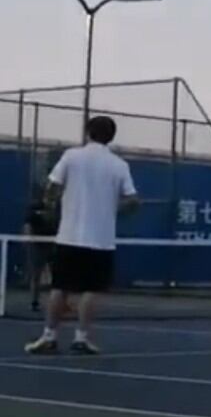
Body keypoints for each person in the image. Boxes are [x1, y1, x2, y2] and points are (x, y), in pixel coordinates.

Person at [25, 116, 138, 355]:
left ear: (88, 132)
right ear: (111, 136)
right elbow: (132, 201)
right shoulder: (119, 165)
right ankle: (82, 337)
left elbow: (53, 186)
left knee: (60, 287)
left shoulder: (71, 156)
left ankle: (49, 336)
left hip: (69, 237)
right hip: (102, 240)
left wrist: (50, 204)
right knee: (92, 289)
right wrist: (112, 210)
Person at [22, 185, 58, 312]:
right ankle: (34, 302)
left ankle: (58, 303)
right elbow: (27, 225)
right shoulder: (34, 207)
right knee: (36, 275)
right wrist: (28, 241)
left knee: (59, 276)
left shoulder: (58, 208)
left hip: (54, 245)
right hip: (37, 246)